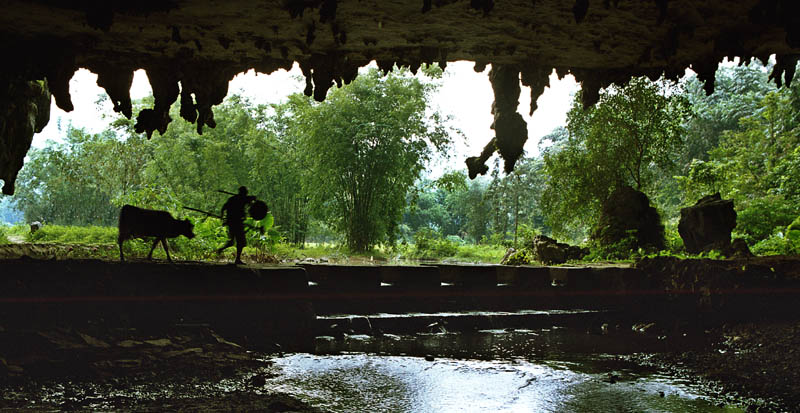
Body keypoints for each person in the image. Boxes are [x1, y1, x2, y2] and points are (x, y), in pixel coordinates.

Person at [217, 186, 256, 264]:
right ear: (243, 192)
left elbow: (224, 207)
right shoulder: (241, 199)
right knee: (241, 242)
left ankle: (221, 250)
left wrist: (222, 215)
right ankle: (237, 259)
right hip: (236, 222)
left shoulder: (233, 199)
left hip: (232, 222)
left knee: (233, 241)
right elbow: (251, 199)